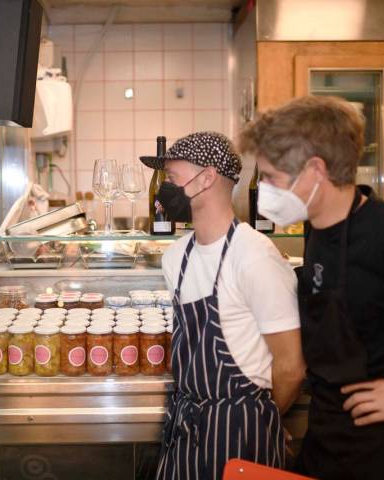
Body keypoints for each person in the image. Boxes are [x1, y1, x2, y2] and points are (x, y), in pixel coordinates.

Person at [240, 95, 384, 479]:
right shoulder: (319, 231)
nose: (264, 190)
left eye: (271, 178)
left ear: (316, 170)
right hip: (327, 438)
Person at [140, 131, 305, 479]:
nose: (164, 188)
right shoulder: (176, 258)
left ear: (208, 178)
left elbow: (291, 365)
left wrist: (262, 420)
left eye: (172, 177)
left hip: (242, 436)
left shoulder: (254, 256)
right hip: (185, 431)